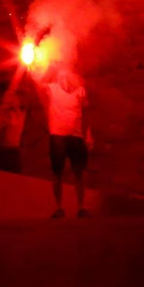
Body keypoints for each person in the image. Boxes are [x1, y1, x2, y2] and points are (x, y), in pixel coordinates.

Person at [36, 64, 91, 218]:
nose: (62, 80)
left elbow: (86, 113)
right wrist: (34, 65)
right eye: (60, 77)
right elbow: (37, 82)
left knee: (78, 172)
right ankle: (58, 207)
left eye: (65, 76)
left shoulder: (80, 91)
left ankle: (81, 207)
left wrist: (88, 134)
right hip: (57, 136)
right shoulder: (52, 89)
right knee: (57, 173)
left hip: (76, 136)